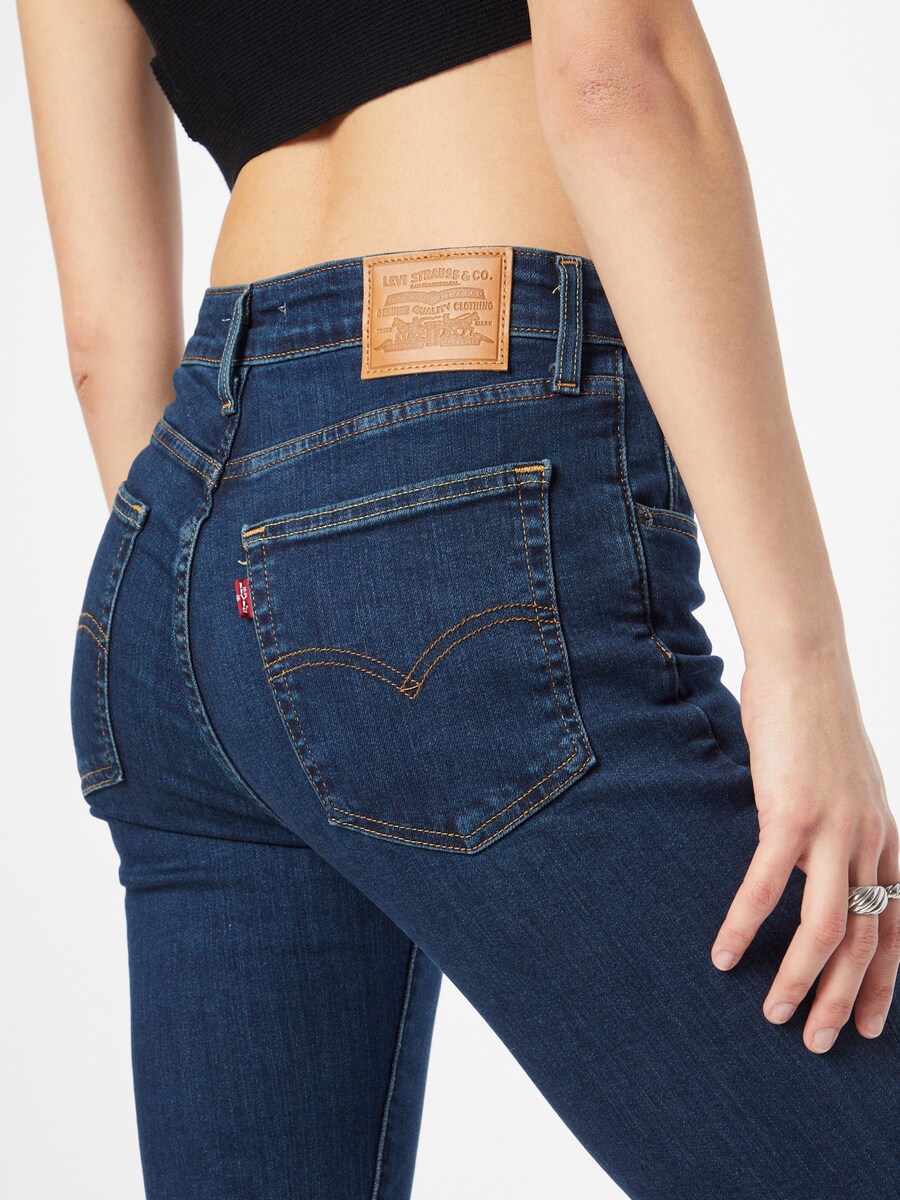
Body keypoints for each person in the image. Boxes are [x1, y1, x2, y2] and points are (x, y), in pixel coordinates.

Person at [16, 1, 899, 1197]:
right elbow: (616, 81)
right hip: (456, 474)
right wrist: (802, 661)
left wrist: (241, 601)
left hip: (173, 555)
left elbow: (103, 339)